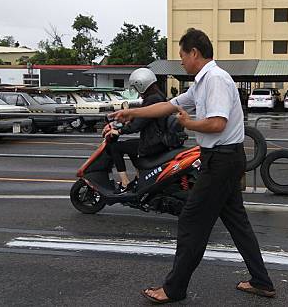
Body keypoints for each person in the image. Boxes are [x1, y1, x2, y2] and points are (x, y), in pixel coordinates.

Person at [111, 28, 275, 303]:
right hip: (223, 159)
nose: (182, 61)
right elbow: (167, 106)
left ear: (194, 53)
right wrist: (131, 112)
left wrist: (189, 124)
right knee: (237, 223)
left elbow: (217, 123)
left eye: (182, 56)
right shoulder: (201, 83)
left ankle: (174, 289)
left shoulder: (215, 80)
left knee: (191, 220)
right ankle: (262, 281)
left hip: (221, 160)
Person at [103, 68, 168, 193]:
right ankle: (139, 177)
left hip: (152, 143)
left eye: (136, 88)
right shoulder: (158, 96)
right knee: (130, 145)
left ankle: (125, 182)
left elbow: (139, 123)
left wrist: (119, 131)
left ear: (141, 85)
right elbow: (141, 117)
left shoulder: (152, 99)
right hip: (156, 140)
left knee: (115, 147)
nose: (137, 91)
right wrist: (121, 123)